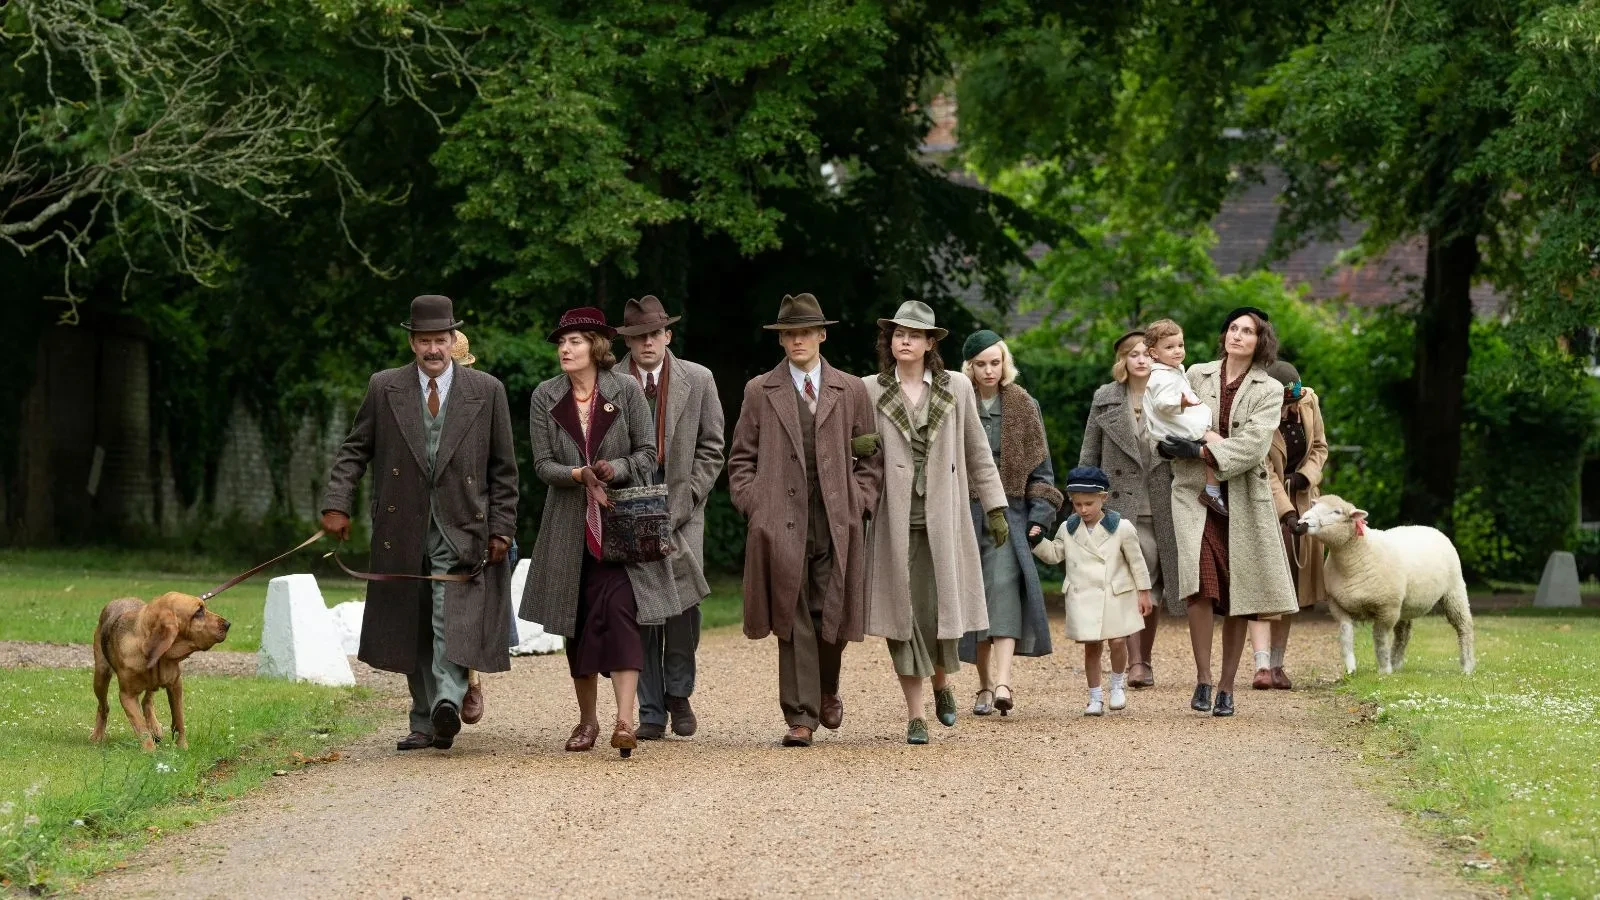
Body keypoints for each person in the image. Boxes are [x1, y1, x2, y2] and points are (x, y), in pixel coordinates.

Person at [320, 295, 518, 751]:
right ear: (412, 342)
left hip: (461, 523)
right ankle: (423, 720)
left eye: (441, 340)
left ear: (454, 340)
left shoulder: (487, 391)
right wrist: (337, 504)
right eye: (425, 340)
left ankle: (446, 702)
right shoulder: (383, 387)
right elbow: (354, 451)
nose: (434, 349)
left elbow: (503, 470)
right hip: (400, 526)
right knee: (412, 620)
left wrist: (501, 527)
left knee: (448, 612)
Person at [519, 307, 681, 757]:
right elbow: (541, 464)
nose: (565, 349)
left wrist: (618, 467)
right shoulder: (544, 396)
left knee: (623, 613)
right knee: (578, 621)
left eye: (574, 341)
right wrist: (578, 473)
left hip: (623, 523)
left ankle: (625, 720)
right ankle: (586, 720)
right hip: (569, 527)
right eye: (561, 343)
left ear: (596, 345)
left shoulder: (625, 390)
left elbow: (648, 453)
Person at [728, 293, 883, 748]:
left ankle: (827, 688)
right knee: (791, 612)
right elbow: (741, 458)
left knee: (828, 611)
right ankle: (800, 715)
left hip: (837, 519)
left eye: (805, 332)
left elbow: (869, 455)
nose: (797, 340)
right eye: (788, 334)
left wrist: (861, 501)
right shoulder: (760, 390)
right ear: (781, 341)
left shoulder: (851, 389)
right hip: (780, 521)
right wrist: (755, 506)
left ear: (822, 335)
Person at [861, 301, 1007, 745]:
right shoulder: (869, 389)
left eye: (913, 335)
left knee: (940, 611)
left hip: (944, 515)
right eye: (897, 334)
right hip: (893, 518)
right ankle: (915, 714)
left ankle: (943, 684)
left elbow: (977, 450)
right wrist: (858, 447)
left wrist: (995, 506)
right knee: (900, 614)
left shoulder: (957, 387)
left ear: (929, 344)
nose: (903, 341)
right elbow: (854, 456)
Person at [1159, 306, 1297, 718]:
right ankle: (1202, 678)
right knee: (1199, 583)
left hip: (1245, 500)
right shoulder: (1195, 373)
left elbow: (1255, 446)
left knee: (1242, 593)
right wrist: (1167, 443)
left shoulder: (1269, 389)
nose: (1238, 336)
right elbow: (1166, 411)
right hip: (1193, 492)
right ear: (1224, 335)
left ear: (1260, 341)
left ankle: (1226, 686)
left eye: (1248, 331)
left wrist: (1202, 449)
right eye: (1233, 329)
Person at [615, 295, 726, 740]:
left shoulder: (698, 379)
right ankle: (651, 710)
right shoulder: (610, 381)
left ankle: (679, 693)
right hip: (628, 511)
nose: (646, 342)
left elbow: (713, 446)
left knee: (684, 608)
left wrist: (690, 497)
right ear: (629, 340)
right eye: (638, 336)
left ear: (668, 335)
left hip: (684, 510)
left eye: (653, 334)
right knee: (640, 608)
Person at [954, 330, 1061, 717]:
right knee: (974, 598)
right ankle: (982, 684)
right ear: (969, 366)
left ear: (1005, 363)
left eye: (994, 362)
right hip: (963, 512)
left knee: (1002, 589)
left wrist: (1040, 516)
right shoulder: (954, 401)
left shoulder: (1022, 405)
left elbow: (1042, 471)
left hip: (1010, 513)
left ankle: (1003, 682)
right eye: (980, 364)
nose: (988, 370)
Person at [1080, 330, 1181, 689]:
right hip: (1117, 505)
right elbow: (1090, 452)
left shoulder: (1172, 394)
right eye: (1132, 354)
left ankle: (1143, 659)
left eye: (1146, 353)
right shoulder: (1105, 398)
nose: (1141, 360)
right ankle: (1136, 662)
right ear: (1122, 360)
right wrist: (1084, 499)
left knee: (1150, 581)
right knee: (1123, 583)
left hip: (1159, 503)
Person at [1032, 466, 1153, 715]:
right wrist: (1037, 542)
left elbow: (1136, 561)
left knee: (1119, 641)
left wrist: (1143, 592)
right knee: (1092, 646)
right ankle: (1095, 696)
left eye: (1088, 503)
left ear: (1103, 498)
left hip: (1115, 594)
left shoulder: (1122, 527)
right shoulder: (1068, 528)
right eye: (1077, 504)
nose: (1083, 510)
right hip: (1084, 596)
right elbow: (1055, 554)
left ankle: (1117, 683)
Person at [1247, 359, 1329, 690]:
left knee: (1292, 588)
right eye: (1281, 406)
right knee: (1266, 586)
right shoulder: (1257, 413)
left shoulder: (1309, 401)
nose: (1286, 412)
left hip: (1304, 498)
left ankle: (1279, 664)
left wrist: (1305, 477)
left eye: (1290, 405)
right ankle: (1262, 666)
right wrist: (1286, 512)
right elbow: (1263, 467)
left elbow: (1320, 448)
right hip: (1267, 503)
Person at [1143, 319, 1226, 516]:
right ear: (1154, 353)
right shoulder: (1161, 377)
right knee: (1220, 447)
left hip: (1181, 422)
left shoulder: (1172, 369)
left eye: (1180, 345)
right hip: (1179, 426)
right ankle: (1212, 491)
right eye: (1169, 347)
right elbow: (1161, 404)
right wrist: (1180, 403)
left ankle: (1213, 489)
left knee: (1215, 449)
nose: (1178, 350)